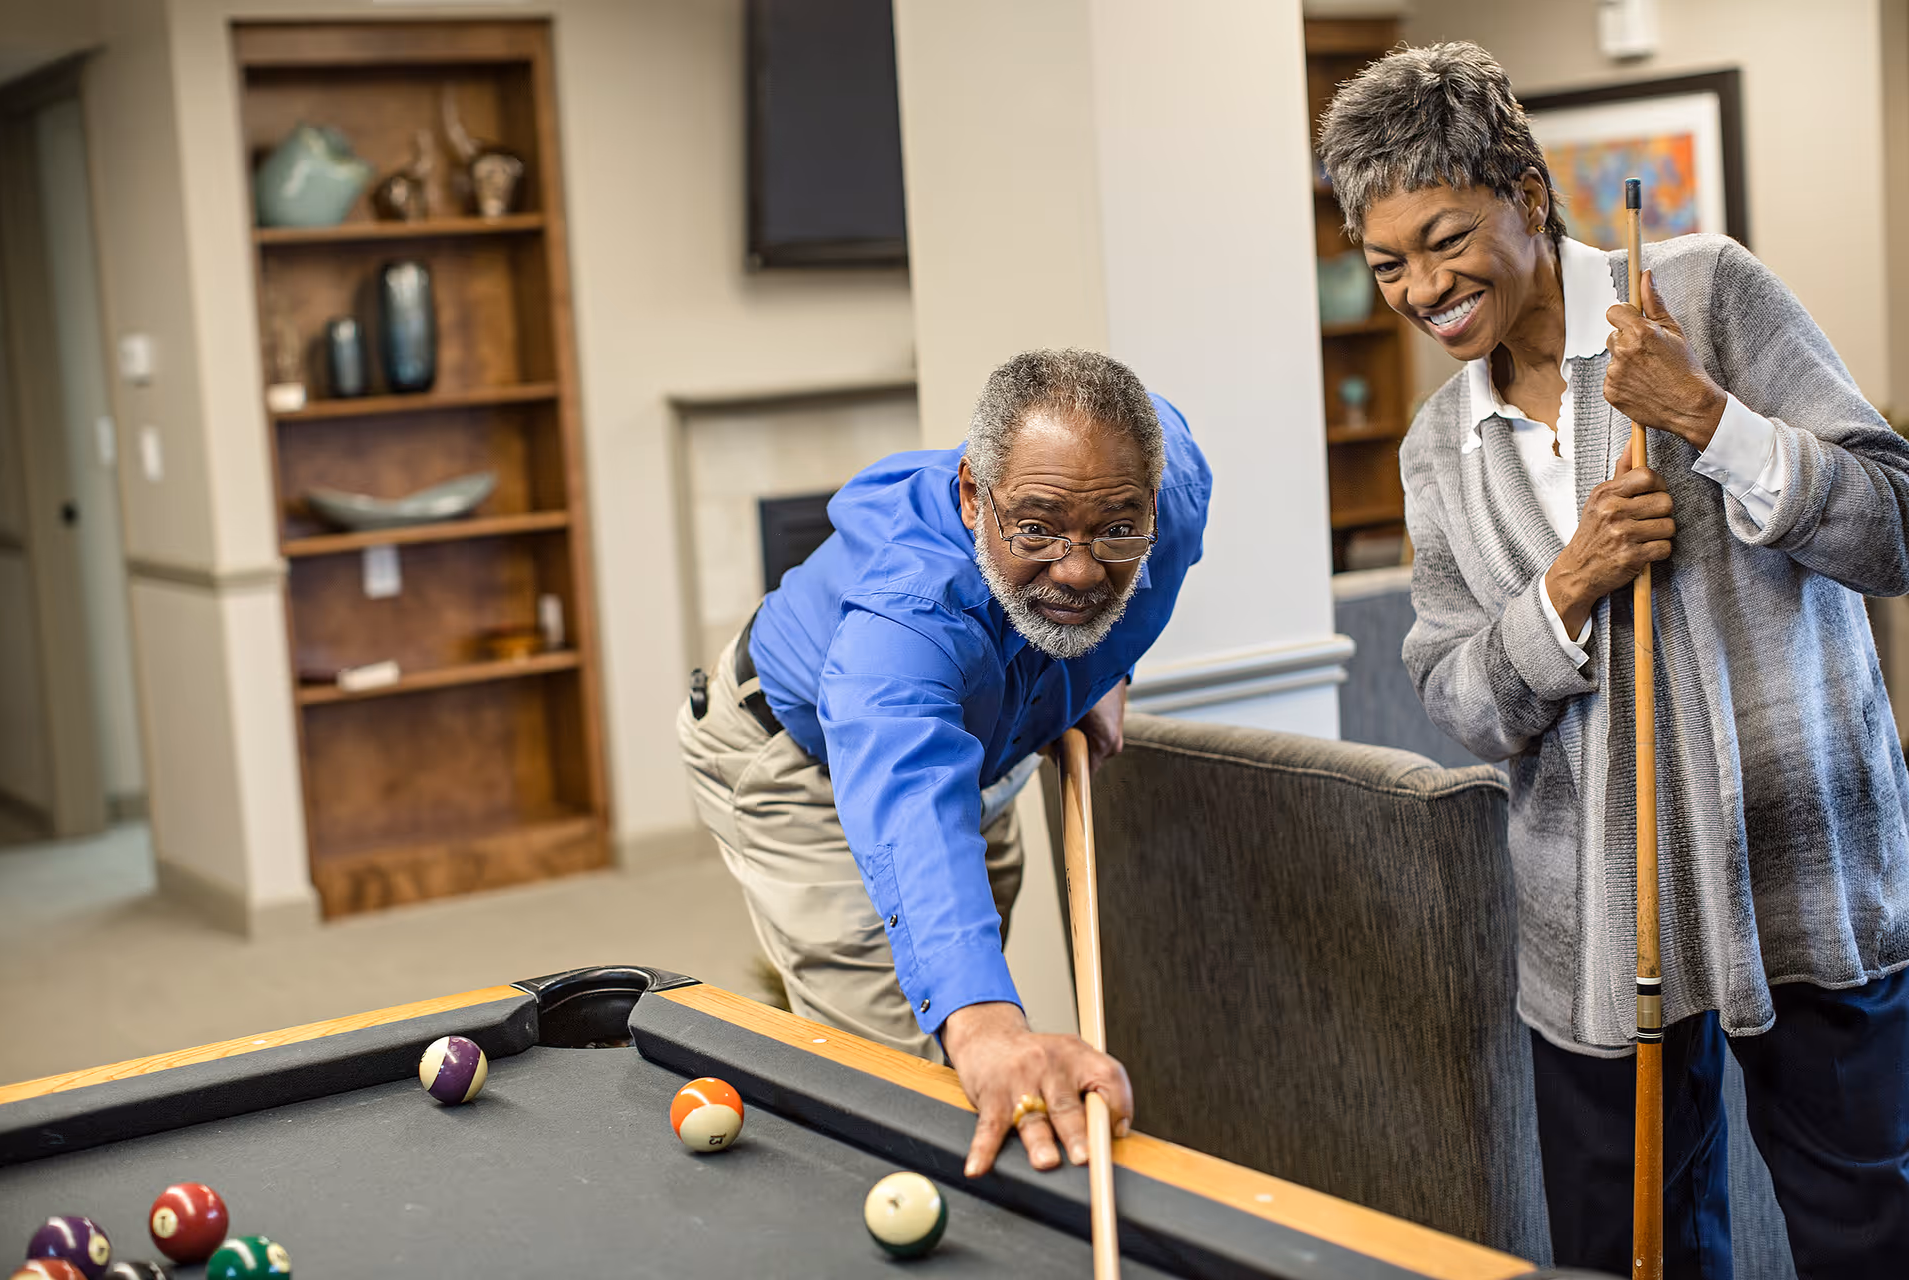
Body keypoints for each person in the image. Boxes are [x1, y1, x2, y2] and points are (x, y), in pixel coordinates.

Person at [1318, 42, 1909, 1279]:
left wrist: (1711, 417)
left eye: (1444, 237)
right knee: (1627, 1254)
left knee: (1871, 1234)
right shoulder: (1437, 447)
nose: (1422, 287)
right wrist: (1566, 585)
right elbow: (1459, 698)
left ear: (1527, 197)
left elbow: (1892, 527)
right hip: (1591, 920)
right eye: (1387, 265)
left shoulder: (1705, 294)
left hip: (1798, 864)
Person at [677, 349, 1212, 1179]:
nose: (1077, 567)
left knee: (962, 1034)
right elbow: (910, 809)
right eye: (1035, 528)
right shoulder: (903, 624)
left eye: (1115, 531)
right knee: (906, 1088)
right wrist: (986, 1023)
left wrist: (1101, 669)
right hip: (797, 764)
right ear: (973, 497)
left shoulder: (1169, 494)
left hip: (983, 739)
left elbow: (1109, 554)